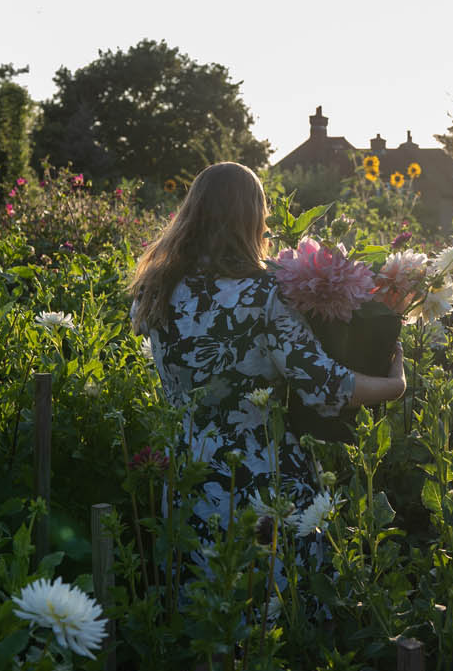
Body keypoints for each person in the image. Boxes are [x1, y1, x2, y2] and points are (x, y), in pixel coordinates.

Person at [128, 162, 406, 549]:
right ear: (253, 219)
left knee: (200, 598)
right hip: (262, 483)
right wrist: (394, 385)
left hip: (187, 480)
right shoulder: (263, 295)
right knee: (274, 600)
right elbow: (324, 386)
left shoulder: (153, 292)